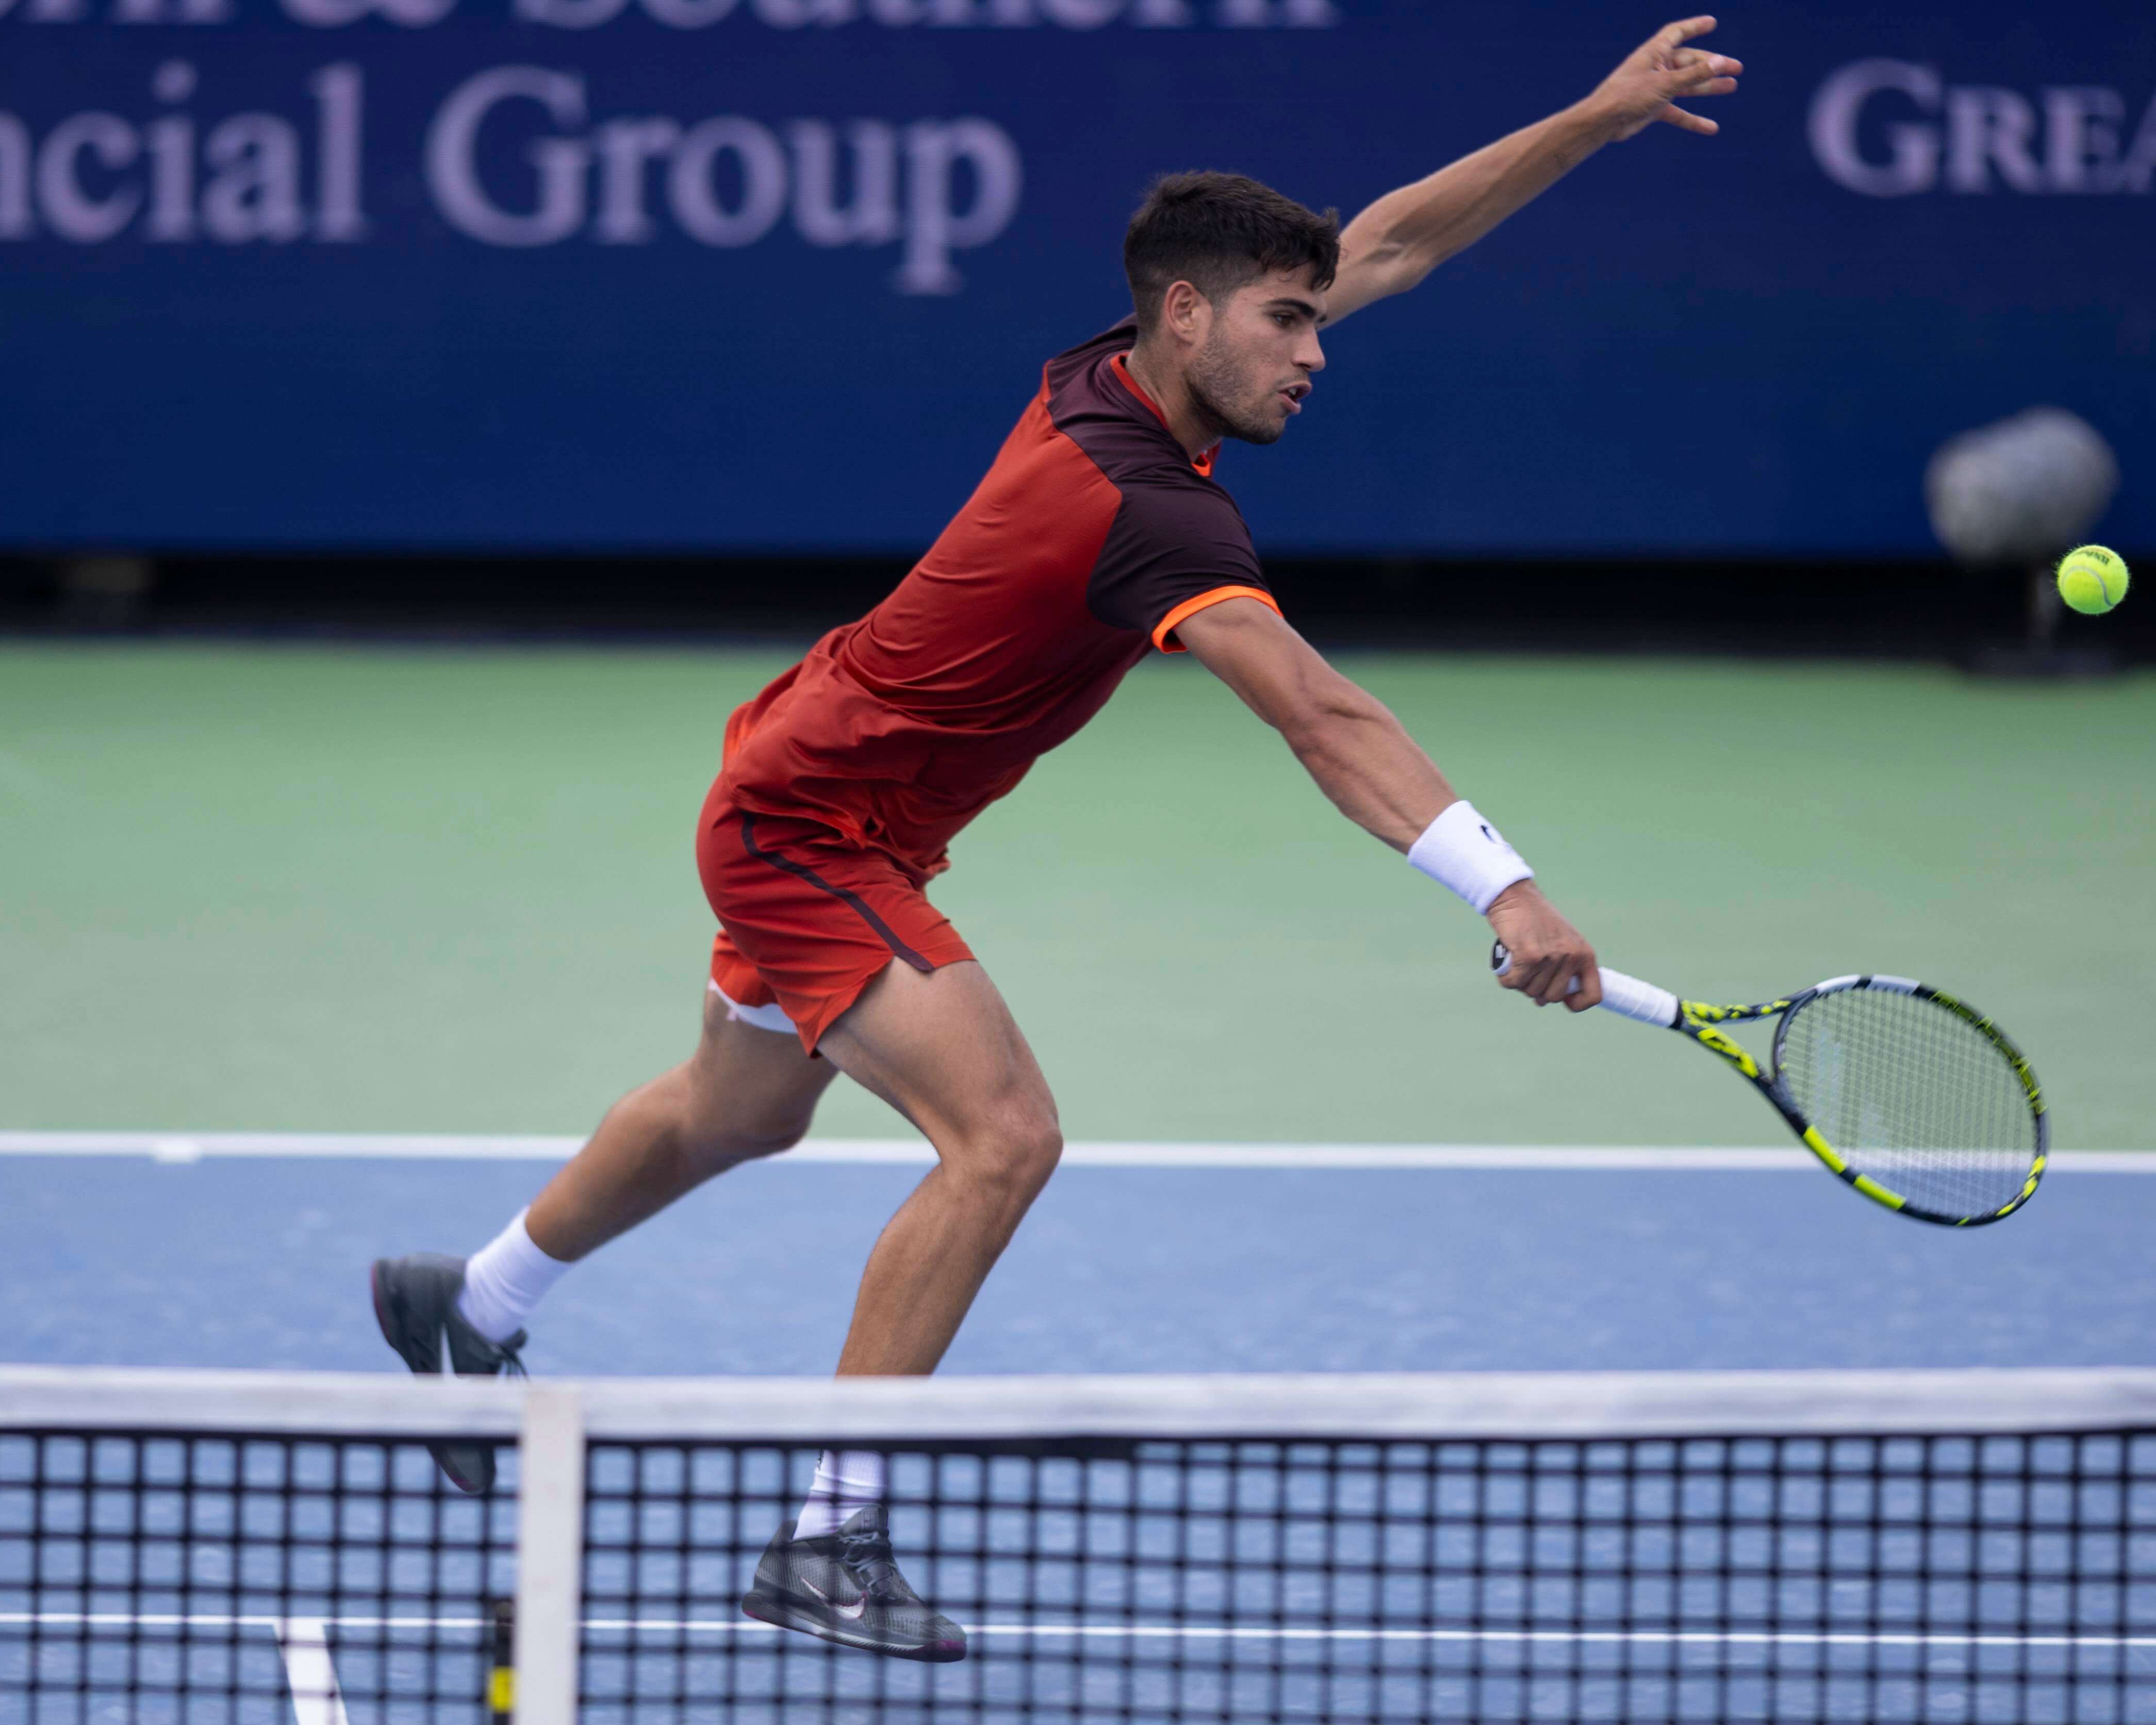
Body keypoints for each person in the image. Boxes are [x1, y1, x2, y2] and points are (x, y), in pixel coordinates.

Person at [371, 16, 1739, 1664]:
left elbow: (1394, 239)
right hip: (813, 823)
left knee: (738, 1114)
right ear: (1187, 313)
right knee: (1004, 1137)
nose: (1318, 348)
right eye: (1288, 322)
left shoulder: (1125, 372)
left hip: (817, 774)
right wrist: (1504, 888)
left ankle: (475, 1303)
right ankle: (828, 1536)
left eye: (1316, 319)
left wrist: (1590, 119)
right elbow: (1320, 714)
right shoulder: (1151, 508)